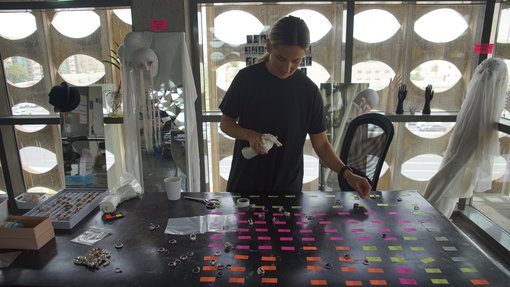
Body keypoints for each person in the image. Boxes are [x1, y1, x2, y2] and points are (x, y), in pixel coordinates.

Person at [219, 15, 371, 197]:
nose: (287, 67)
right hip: (245, 183)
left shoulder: (308, 91)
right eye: (281, 59)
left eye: (296, 61)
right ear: (268, 46)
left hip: (287, 187)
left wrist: (347, 174)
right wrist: (249, 135)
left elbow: (321, 144)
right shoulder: (246, 79)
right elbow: (226, 123)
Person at [423, 58, 509, 217]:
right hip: (462, 152)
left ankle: (435, 214)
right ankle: (435, 217)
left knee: (449, 184)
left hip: (458, 150)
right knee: (450, 185)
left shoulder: (472, 110)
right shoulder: (483, 116)